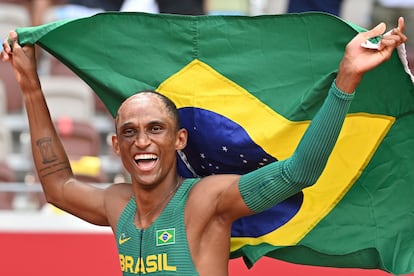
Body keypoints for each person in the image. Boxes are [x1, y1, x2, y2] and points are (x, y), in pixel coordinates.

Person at [1, 17, 407, 275]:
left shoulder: (207, 201)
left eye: (155, 128)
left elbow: (298, 171)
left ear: (179, 140)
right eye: (130, 132)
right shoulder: (116, 204)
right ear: (116, 145)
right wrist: (30, 85)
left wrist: (346, 80)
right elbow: (57, 184)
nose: (142, 140)